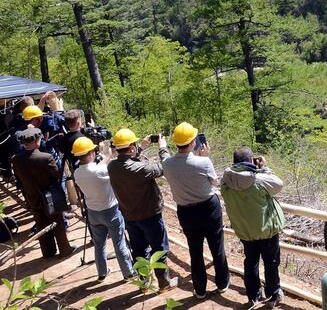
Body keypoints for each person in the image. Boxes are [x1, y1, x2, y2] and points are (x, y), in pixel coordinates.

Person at [162, 122, 230, 299]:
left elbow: (170, 162)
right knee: (217, 247)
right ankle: (222, 283)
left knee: (195, 251)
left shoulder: (167, 164)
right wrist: (205, 157)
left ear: (175, 143)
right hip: (209, 209)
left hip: (186, 212)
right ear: (193, 142)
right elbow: (214, 182)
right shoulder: (204, 161)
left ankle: (200, 289)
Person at [106, 128, 178, 291]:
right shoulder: (141, 169)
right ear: (131, 148)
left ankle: (144, 282)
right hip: (150, 215)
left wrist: (140, 148)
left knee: (139, 250)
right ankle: (164, 283)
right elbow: (163, 167)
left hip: (130, 216)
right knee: (159, 249)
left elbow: (127, 160)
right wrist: (162, 148)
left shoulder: (112, 167)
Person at [220, 147, 285, 307]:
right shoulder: (259, 179)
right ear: (250, 161)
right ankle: (272, 295)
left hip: (245, 231)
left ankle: (253, 296)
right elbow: (279, 185)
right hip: (266, 230)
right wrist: (264, 169)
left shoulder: (226, 180)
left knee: (251, 262)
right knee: (271, 263)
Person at [71, 136, 135, 281]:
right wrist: (112, 156)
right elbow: (106, 170)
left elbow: (99, 167)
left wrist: (109, 155)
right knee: (119, 243)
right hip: (110, 211)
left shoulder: (77, 173)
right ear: (91, 153)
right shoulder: (100, 172)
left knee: (99, 244)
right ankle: (128, 272)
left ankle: (102, 272)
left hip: (93, 213)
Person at [10, 127, 76, 258]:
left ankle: (48, 252)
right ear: (35, 141)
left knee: (41, 224)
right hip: (50, 196)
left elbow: (18, 178)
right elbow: (57, 175)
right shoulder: (46, 157)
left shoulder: (16, 159)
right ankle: (65, 249)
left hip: (32, 197)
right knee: (57, 223)